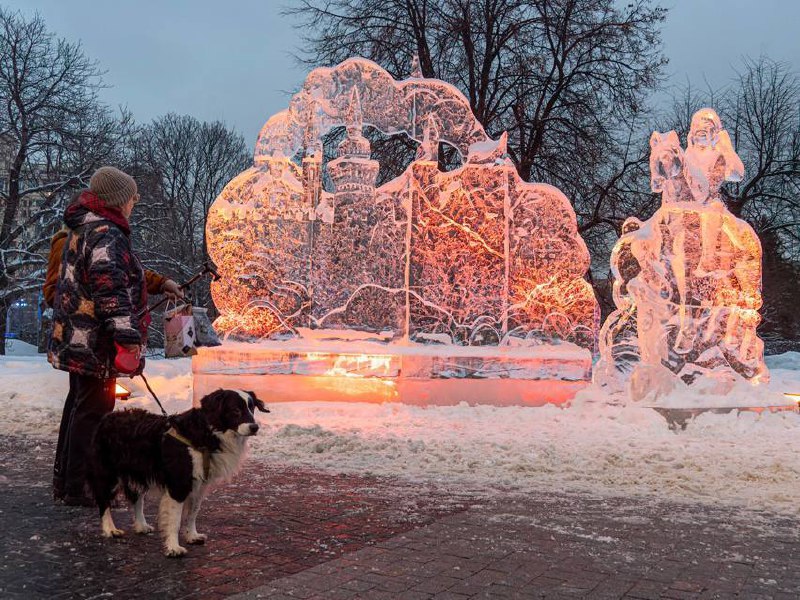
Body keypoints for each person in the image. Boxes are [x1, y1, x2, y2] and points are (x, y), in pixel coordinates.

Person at [47, 166, 182, 506]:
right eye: (132, 198)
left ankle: (66, 481)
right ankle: (81, 488)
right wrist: (129, 338)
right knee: (92, 414)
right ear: (118, 200)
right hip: (95, 342)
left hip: (79, 337)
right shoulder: (106, 232)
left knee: (78, 407)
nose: (134, 204)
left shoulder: (86, 227)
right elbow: (110, 292)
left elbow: (119, 273)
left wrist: (157, 283)